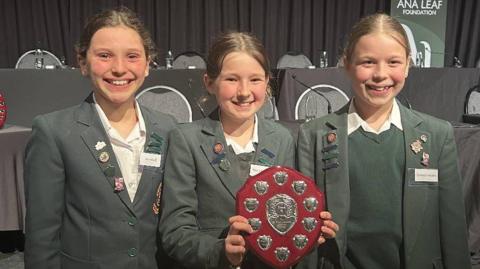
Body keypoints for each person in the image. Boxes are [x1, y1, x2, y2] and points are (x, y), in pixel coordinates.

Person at [297, 13, 471, 269]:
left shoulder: (437, 135)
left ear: (408, 65)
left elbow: (453, 228)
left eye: (393, 62)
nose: (380, 74)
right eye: (368, 62)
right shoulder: (314, 135)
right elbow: (305, 228)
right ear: (347, 64)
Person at [159, 32, 338, 268]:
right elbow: (175, 232)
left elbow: (285, 216)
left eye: (255, 80)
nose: (244, 92)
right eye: (231, 79)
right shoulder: (186, 140)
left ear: (267, 81)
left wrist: (309, 232)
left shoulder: (282, 139)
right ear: (209, 83)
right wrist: (221, 251)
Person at [24, 7, 176, 269]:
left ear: (148, 63)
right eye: (104, 56)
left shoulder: (168, 128)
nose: (119, 69)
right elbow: (42, 238)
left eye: (132, 56)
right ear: (83, 62)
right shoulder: (53, 132)